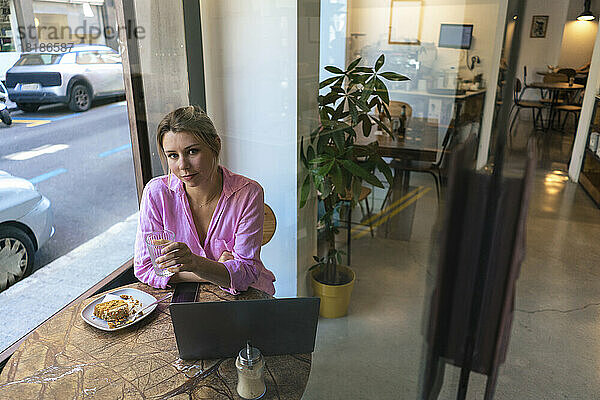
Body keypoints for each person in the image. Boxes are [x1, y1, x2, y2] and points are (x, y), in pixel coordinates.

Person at [133, 106, 276, 295]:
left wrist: (191, 264)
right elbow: (145, 269)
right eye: (173, 156)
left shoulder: (248, 193)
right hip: (185, 297)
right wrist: (213, 269)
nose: (183, 165)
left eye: (192, 151)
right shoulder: (156, 194)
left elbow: (247, 274)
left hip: (245, 297)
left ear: (215, 145)